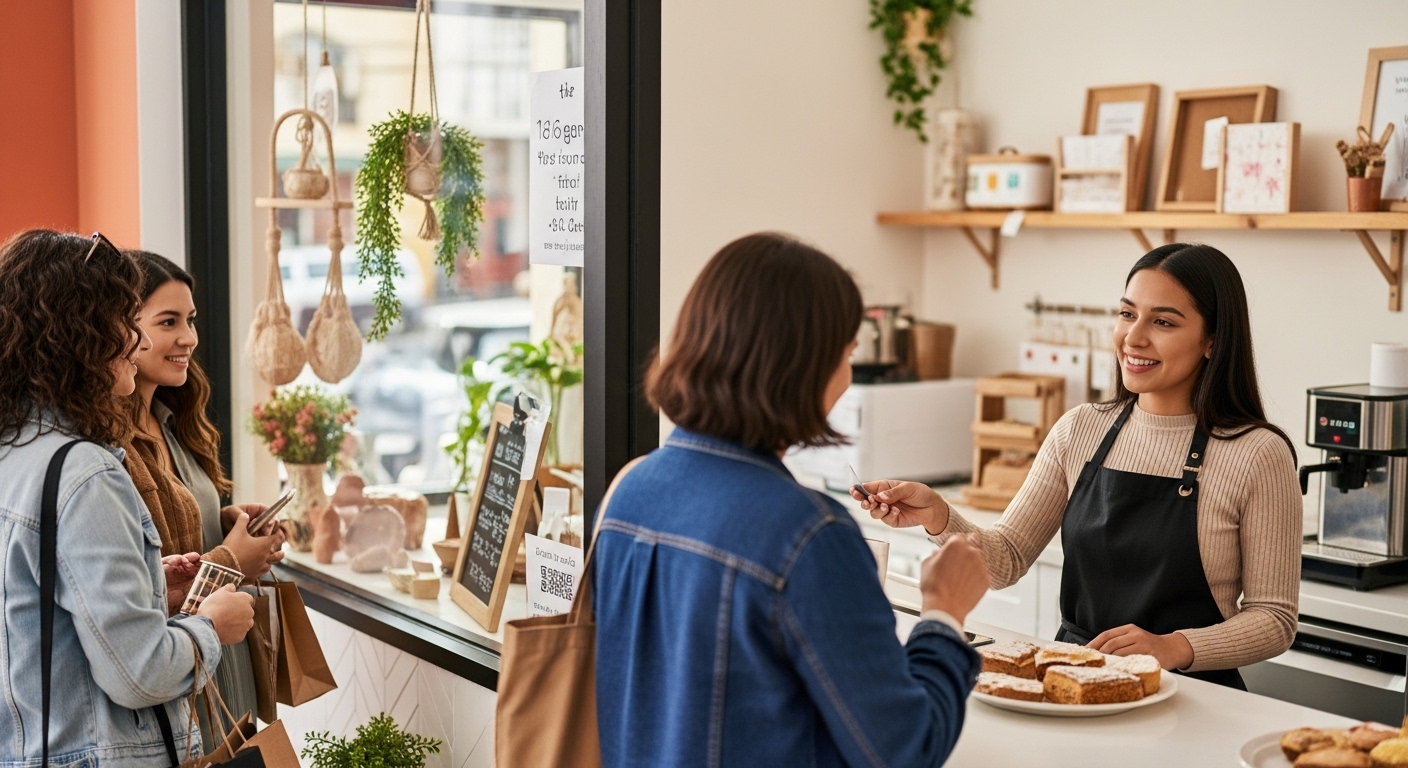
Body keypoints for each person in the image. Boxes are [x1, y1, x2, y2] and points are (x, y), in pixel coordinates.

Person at [595, 232, 989, 767]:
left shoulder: (630, 489)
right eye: (847, 355)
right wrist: (943, 613)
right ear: (803, 366)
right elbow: (905, 749)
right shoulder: (809, 535)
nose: (848, 378)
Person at [856, 243, 1301, 690]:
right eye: (1128, 314)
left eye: (1163, 322)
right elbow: (1006, 560)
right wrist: (938, 515)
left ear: (1213, 341)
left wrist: (1172, 647)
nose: (1134, 337)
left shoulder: (1257, 454)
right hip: (1075, 680)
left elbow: (1274, 618)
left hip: (1196, 697)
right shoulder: (1081, 430)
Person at [0, 229, 254, 765]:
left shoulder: (15, 451)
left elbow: (31, 606)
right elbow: (141, 675)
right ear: (81, 334)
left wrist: (149, 588)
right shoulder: (85, 472)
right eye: (122, 320)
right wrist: (214, 625)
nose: (134, 343)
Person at [125, 249, 285, 739]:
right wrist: (232, 560)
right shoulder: (105, 453)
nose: (188, 338)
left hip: (224, 669)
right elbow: (136, 586)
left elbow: (185, 526)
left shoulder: (174, 420)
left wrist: (227, 519)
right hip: (179, 688)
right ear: (120, 330)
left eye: (190, 320)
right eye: (168, 321)